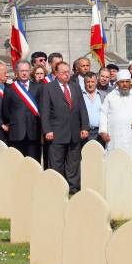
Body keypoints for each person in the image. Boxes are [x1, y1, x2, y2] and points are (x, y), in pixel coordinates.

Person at [40, 61, 89, 194]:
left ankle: (73, 187)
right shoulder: (48, 88)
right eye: (63, 72)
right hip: (56, 133)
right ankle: (57, 187)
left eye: (68, 72)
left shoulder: (75, 87)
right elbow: (44, 112)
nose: (67, 74)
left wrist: (85, 127)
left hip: (74, 132)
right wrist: (47, 130)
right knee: (57, 162)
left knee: (73, 162)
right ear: (56, 73)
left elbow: (82, 109)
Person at [99, 70, 132, 184]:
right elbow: (103, 114)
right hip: (115, 136)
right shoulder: (110, 97)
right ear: (117, 83)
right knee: (114, 157)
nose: (125, 84)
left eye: (127, 82)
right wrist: (103, 131)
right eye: (122, 82)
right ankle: (116, 181)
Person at [2, 61, 43, 160]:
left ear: (30, 72)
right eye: (21, 71)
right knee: (17, 163)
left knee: (34, 163)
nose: (24, 73)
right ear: (17, 72)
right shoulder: (10, 89)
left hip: (34, 132)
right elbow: (6, 111)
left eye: (26, 70)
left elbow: (42, 108)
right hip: (16, 133)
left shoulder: (38, 87)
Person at [82, 72, 105, 143]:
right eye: (88, 82)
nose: (90, 84)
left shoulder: (103, 95)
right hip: (85, 132)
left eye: (92, 81)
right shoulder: (79, 96)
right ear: (84, 83)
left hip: (99, 133)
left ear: (96, 82)